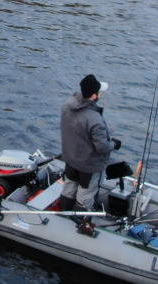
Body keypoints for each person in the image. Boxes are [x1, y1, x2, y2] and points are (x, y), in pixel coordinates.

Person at [59, 74, 120, 218]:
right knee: (85, 196)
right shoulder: (95, 119)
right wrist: (114, 144)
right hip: (89, 166)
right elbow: (102, 147)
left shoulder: (67, 105)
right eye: (99, 92)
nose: (100, 94)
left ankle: (63, 214)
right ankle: (79, 222)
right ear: (93, 96)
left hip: (71, 160)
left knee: (69, 189)